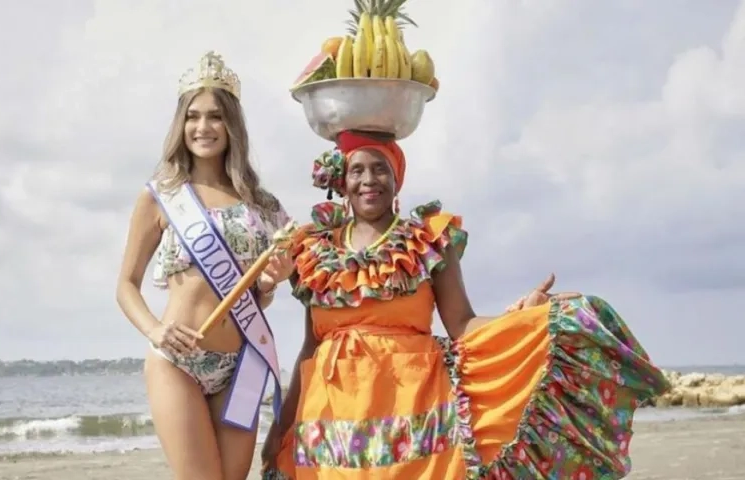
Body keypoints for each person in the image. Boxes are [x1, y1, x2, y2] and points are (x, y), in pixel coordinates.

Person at [260, 130, 671, 479]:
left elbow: (462, 324)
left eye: (380, 168)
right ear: (343, 181)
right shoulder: (314, 250)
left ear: (397, 179)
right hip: (330, 417)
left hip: (413, 412)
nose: (370, 180)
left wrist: (524, 314)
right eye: (357, 170)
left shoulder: (427, 240)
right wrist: (281, 425)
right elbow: (311, 347)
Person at [115, 51, 294, 480]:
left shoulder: (264, 207)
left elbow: (257, 296)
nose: (203, 127)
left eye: (215, 116)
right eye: (192, 116)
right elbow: (125, 284)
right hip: (177, 362)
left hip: (242, 366)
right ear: (181, 124)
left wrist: (273, 283)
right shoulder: (161, 195)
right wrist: (155, 330)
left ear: (232, 124)